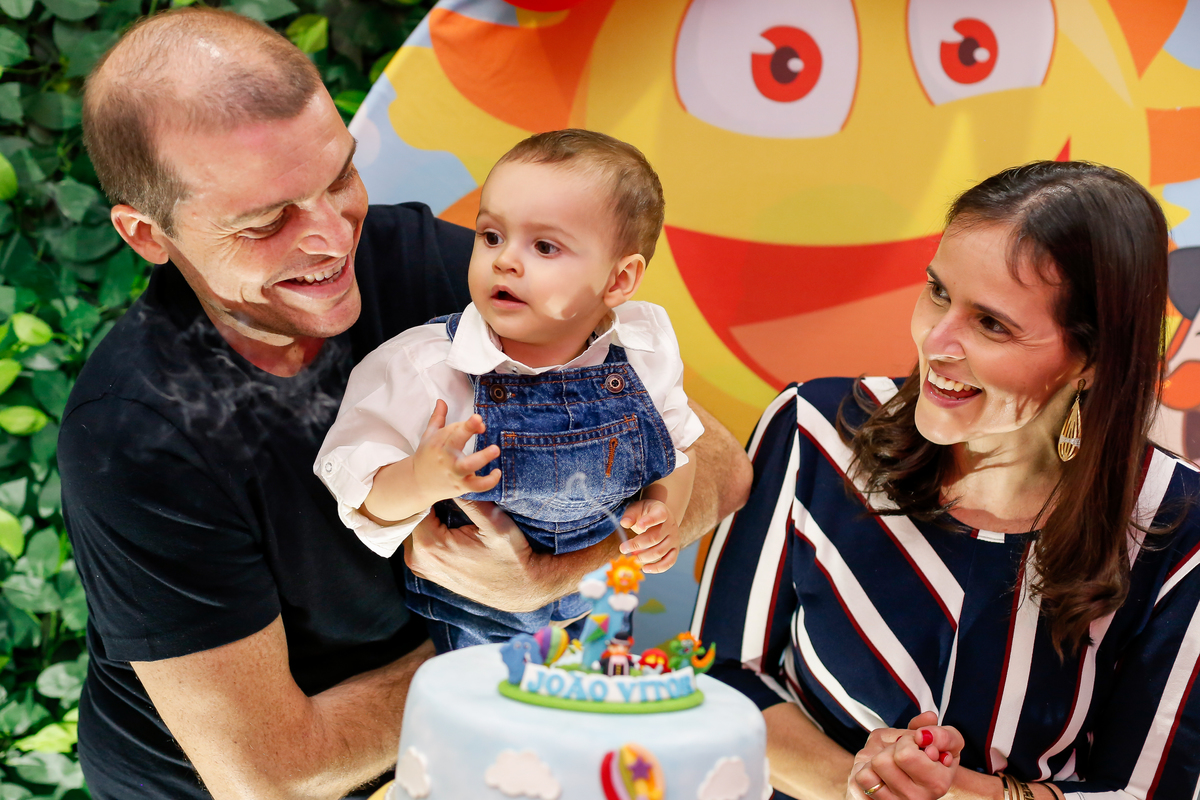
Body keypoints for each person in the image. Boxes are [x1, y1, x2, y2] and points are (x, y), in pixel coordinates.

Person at [60, 8, 752, 800]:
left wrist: (551, 581)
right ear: (146, 235)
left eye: (340, 179)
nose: (333, 239)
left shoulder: (439, 264)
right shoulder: (131, 434)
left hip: (471, 733)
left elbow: (721, 468)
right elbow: (272, 775)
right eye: (268, 221)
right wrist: (508, 637)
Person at [694, 161, 1200, 800]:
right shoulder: (815, 430)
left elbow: (1146, 791)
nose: (936, 340)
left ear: (1092, 359)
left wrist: (957, 792)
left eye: (992, 323)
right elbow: (717, 676)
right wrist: (855, 785)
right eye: (938, 291)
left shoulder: (1176, 521)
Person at [315, 129, 703, 653]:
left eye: (544, 246)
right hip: (476, 625)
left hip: (601, 604)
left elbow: (677, 453)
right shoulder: (428, 367)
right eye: (491, 236)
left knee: (595, 693)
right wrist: (418, 480)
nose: (504, 260)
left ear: (618, 280)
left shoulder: (641, 355)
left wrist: (664, 513)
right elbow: (361, 493)